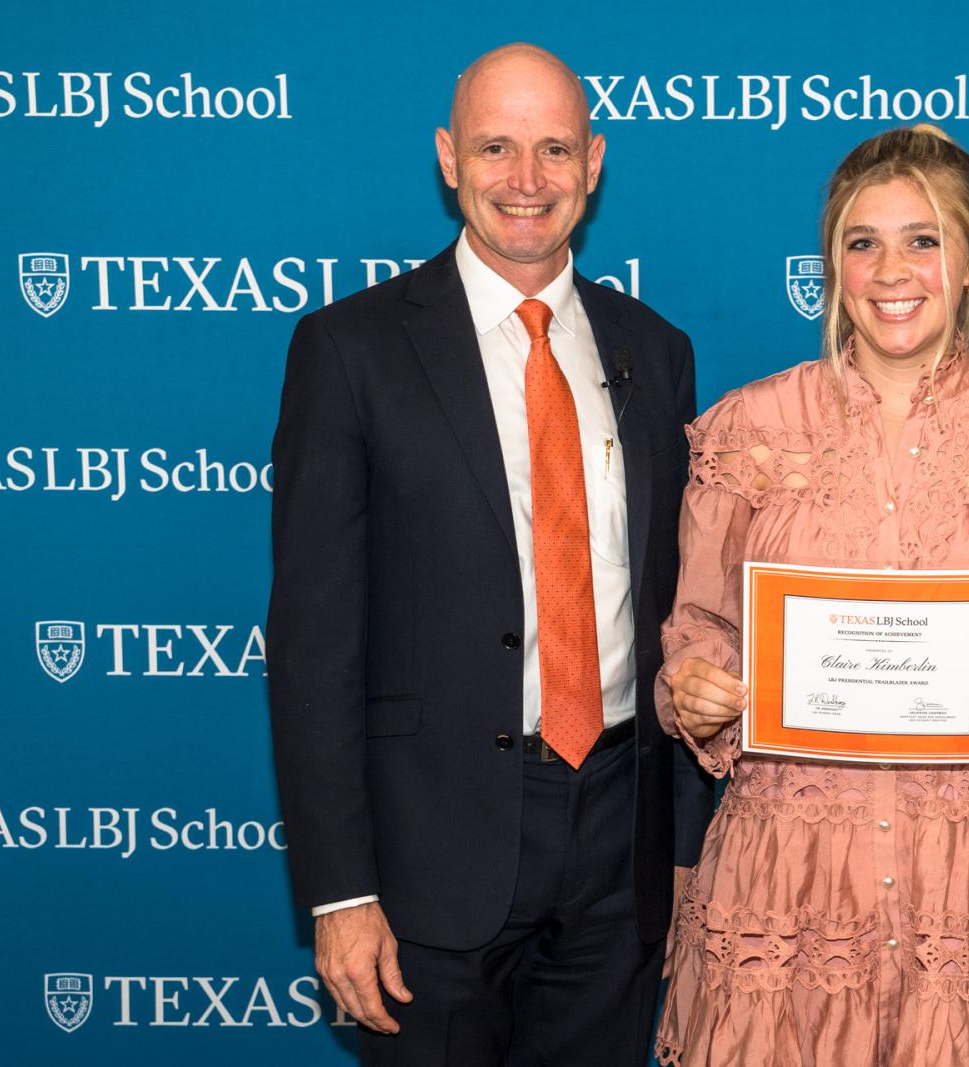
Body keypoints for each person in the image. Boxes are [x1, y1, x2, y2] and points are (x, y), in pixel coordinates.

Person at [266, 42, 712, 1066]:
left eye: (554, 148)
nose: (527, 179)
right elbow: (313, 642)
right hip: (429, 852)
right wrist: (341, 890)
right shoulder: (351, 349)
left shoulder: (658, 350)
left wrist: (685, 851)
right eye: (496, 147)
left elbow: (684, 620)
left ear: (594, 162)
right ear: (447, 158)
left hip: (619, 848)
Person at [655, 125, 969, 1066]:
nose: (891, 269)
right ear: (830, 265)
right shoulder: (747, 430)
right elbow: (700, 631)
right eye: (861, 242)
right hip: (785, 896)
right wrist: (698, 685)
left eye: (923, 239)